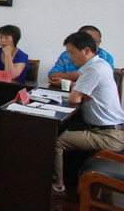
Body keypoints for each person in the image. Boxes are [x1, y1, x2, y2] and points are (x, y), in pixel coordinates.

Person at [52, 31, 124, 193]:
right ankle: (68, 178)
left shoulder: (93, 70)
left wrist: (78, 91)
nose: (69, 57)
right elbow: (80, 92)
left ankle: (59, 183)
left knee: (56, 141)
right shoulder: (99, 64)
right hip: (113, 129)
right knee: (66, 129)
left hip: (109, 136)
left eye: (72, 52)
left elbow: (74, 99)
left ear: (86, 50)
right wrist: (79, 89)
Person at [48, 25, 114, 88]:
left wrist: (68, 82)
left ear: (100, 42)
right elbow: (52, 76)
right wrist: (78, 74)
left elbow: (96, 86)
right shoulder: (66, 55)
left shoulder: (104, 59)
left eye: (95, 41)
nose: (91, 44)